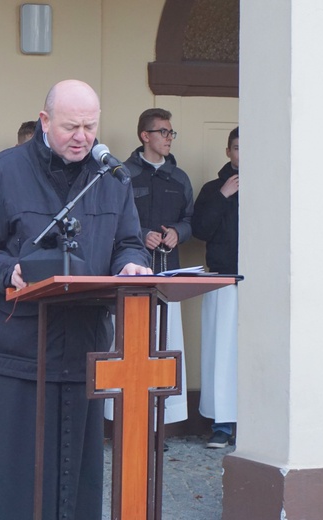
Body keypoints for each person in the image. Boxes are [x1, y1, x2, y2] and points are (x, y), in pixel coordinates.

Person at [0, 79, 151, 520]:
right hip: (18, 352)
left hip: (86, 351)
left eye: (90, 126)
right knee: (8, 486)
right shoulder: (1, 172)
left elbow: (129, 243)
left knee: (74, 488)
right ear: (44, 121)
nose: (82, 137)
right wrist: (10, 270)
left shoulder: (112, 177)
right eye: (71, 127)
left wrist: (132, 264)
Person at [122, 107, 194, 426]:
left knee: (165, 345)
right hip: (132, 272)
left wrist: (179, 232)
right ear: (145, 136)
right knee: (133, 345)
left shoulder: (179, 177)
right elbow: (112, 221)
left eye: (171, 132)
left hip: (169, 274)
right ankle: (131, 419)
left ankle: (160, 421)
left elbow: (191, 220)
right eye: (162, 132)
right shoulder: (122, 175)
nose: (169, 138)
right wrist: (140, 235)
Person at [192, 126, 239, 449]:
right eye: (237, 147)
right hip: (223, 278)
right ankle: (222, 423)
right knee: (222, 352)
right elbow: (200, 230)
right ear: (228, 152)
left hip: (263, 281)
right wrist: (223, 196)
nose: (242, 154)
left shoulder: (273, 184)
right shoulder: (212, 189)